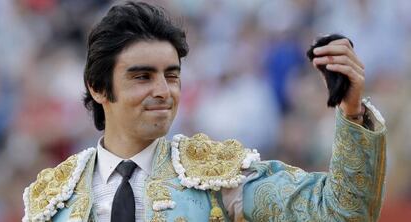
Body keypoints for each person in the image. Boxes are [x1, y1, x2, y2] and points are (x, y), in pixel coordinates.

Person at [22, 1, 386, 222]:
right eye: (142, 76)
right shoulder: (53, 198)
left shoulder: (219, 178)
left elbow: (343, 213)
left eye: (172, 75)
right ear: (98, 88)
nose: (163, 91)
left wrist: (351, 113)